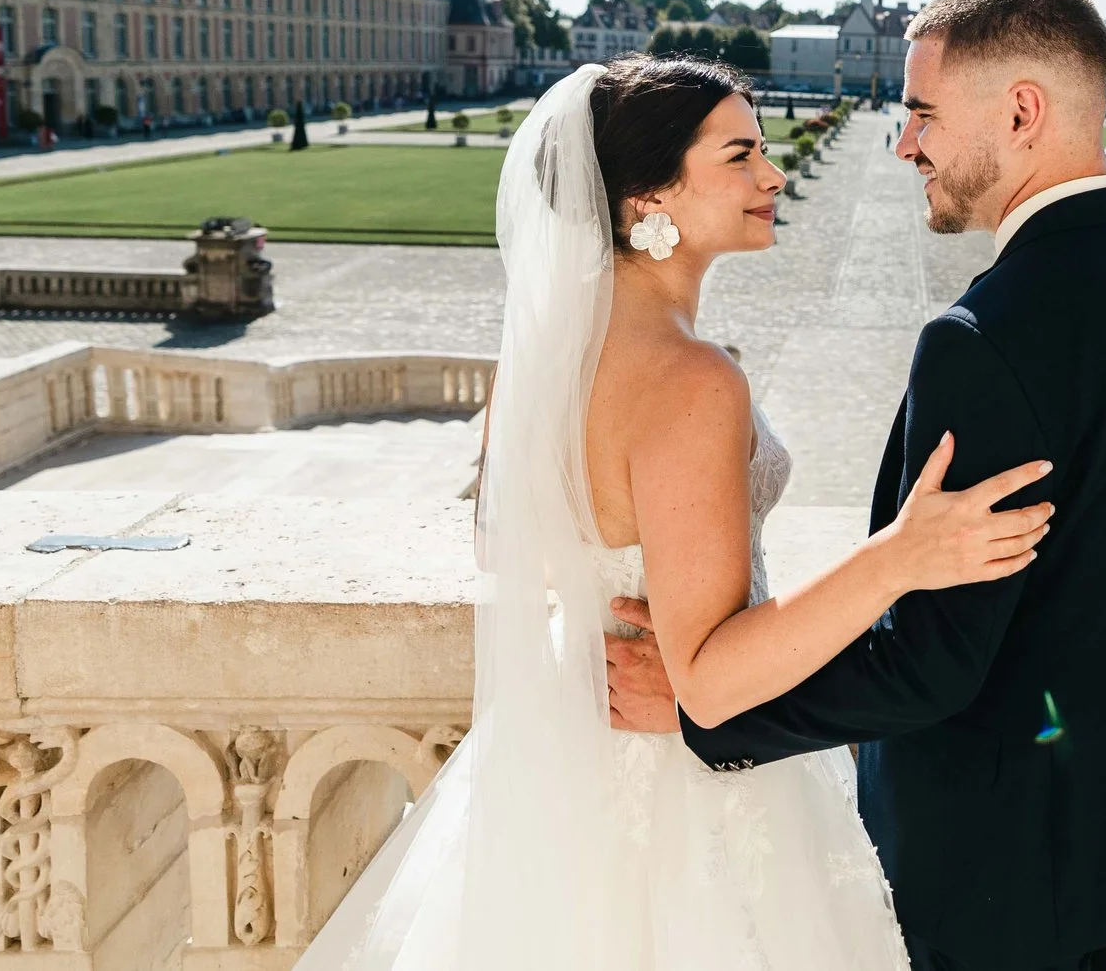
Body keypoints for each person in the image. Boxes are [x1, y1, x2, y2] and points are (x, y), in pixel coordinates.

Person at [296, 54, 1050, 971]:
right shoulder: (692, 379)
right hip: (690, 787)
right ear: (649, 198)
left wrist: (609, 594)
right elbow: (710, 681)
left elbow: (503, 542)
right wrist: (899, 554)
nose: (773, 175)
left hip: (569, 759)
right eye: (740, 156)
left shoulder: (550, 356)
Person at [608, 0, 1106, 971]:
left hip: (997, 849)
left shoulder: (984, 339)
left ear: (1022, 110)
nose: (903, 142)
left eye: (921, 114)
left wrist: (708, 711)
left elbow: (934, 661)